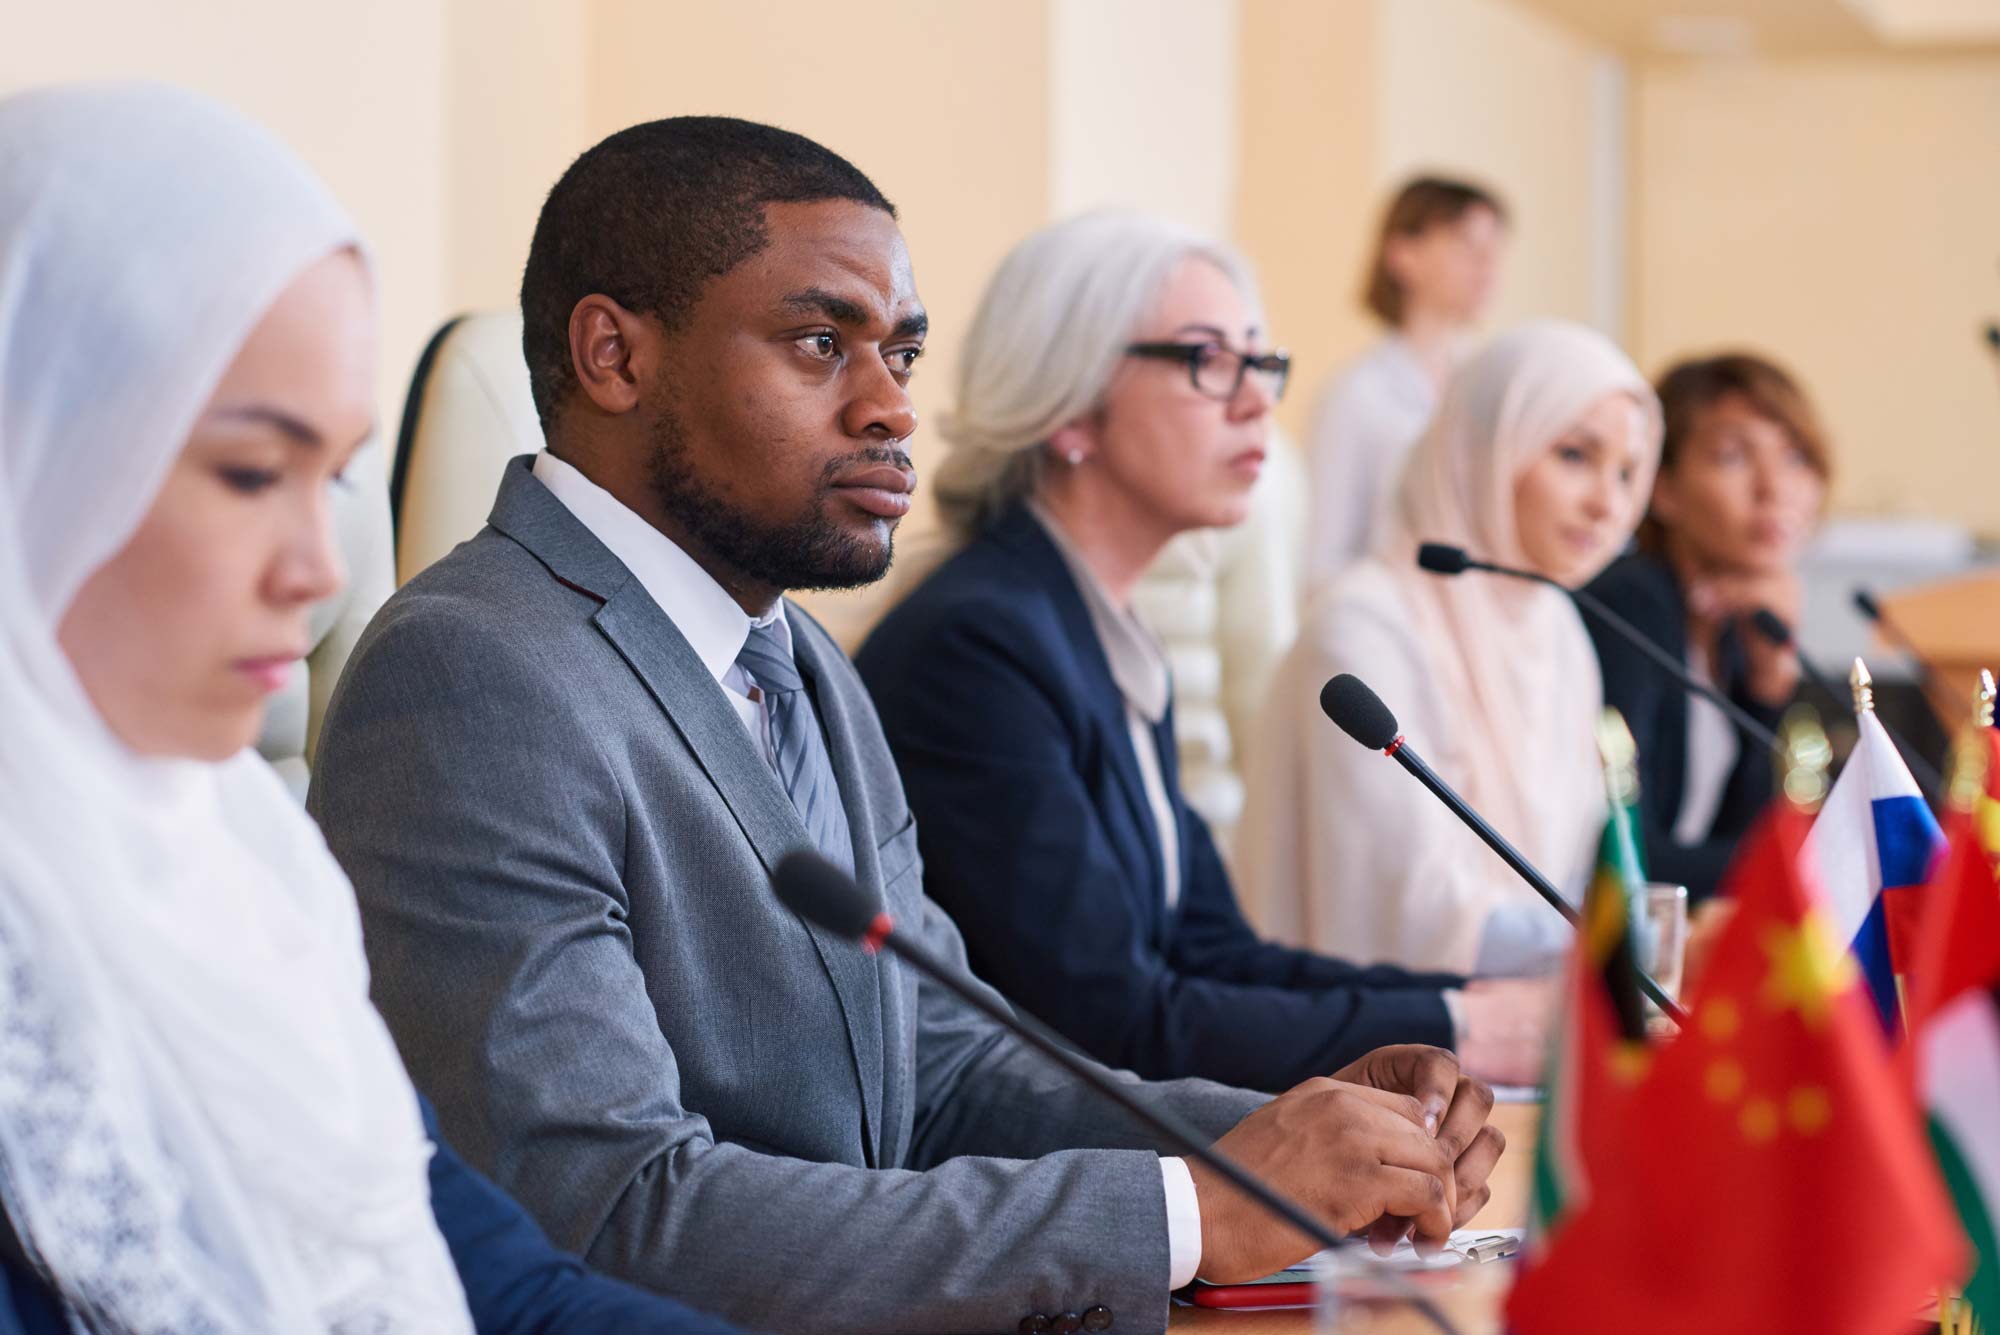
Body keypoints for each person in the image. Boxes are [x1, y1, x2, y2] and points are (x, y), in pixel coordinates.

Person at [308, 117, 1505, 1335]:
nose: (890, 410)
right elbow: (608, 1216)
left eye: (903, 354)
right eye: (821, 343)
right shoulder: (472, 670)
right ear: (614, 356)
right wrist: (1189, 1211)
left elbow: (938, 1071)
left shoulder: (803, 663)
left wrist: (1296, 1133)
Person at [0, 83, 745, 1334]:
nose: (322, 569)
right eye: (249, 471)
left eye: (333, 475)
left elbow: (502, 1282)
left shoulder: (238, 861)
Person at [856, 211, 1547, 1091]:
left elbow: (1208, 949)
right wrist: (1464, 1025)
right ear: (1068, 404)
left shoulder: (1100, 626)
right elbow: (1114, 1019)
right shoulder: (979, 646)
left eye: (1260, 362)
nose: (1258, 399)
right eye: (1207, 360)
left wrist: (1475, 999)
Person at [1236, 321, 1662, 987]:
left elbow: (1579, 866)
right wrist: (1631, 937)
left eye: (1628, 472)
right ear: (1484, 449)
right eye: (1575, 455)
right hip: (1370, 1058)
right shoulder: (1363, 625)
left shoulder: (1558, 627)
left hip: (1529, 1038)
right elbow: (1406, 913)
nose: (1609, 503)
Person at [1584, 353, 1830, 902]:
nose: (1774, 489)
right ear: (1662, 487)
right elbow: (1627, 854)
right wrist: (1818, 859)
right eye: (1733, 456)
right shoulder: (1630, 605)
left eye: (1795, 457)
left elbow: (1736, 835)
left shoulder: (1732, 623)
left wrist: (1769, 690)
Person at [1303, 176, 1507, 590]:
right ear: (1403, 254)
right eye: (1465, 245)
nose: (1487, 265)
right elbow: (1322, 561)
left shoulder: (1495, 389)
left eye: (1495, 249)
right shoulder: (1355, 396)